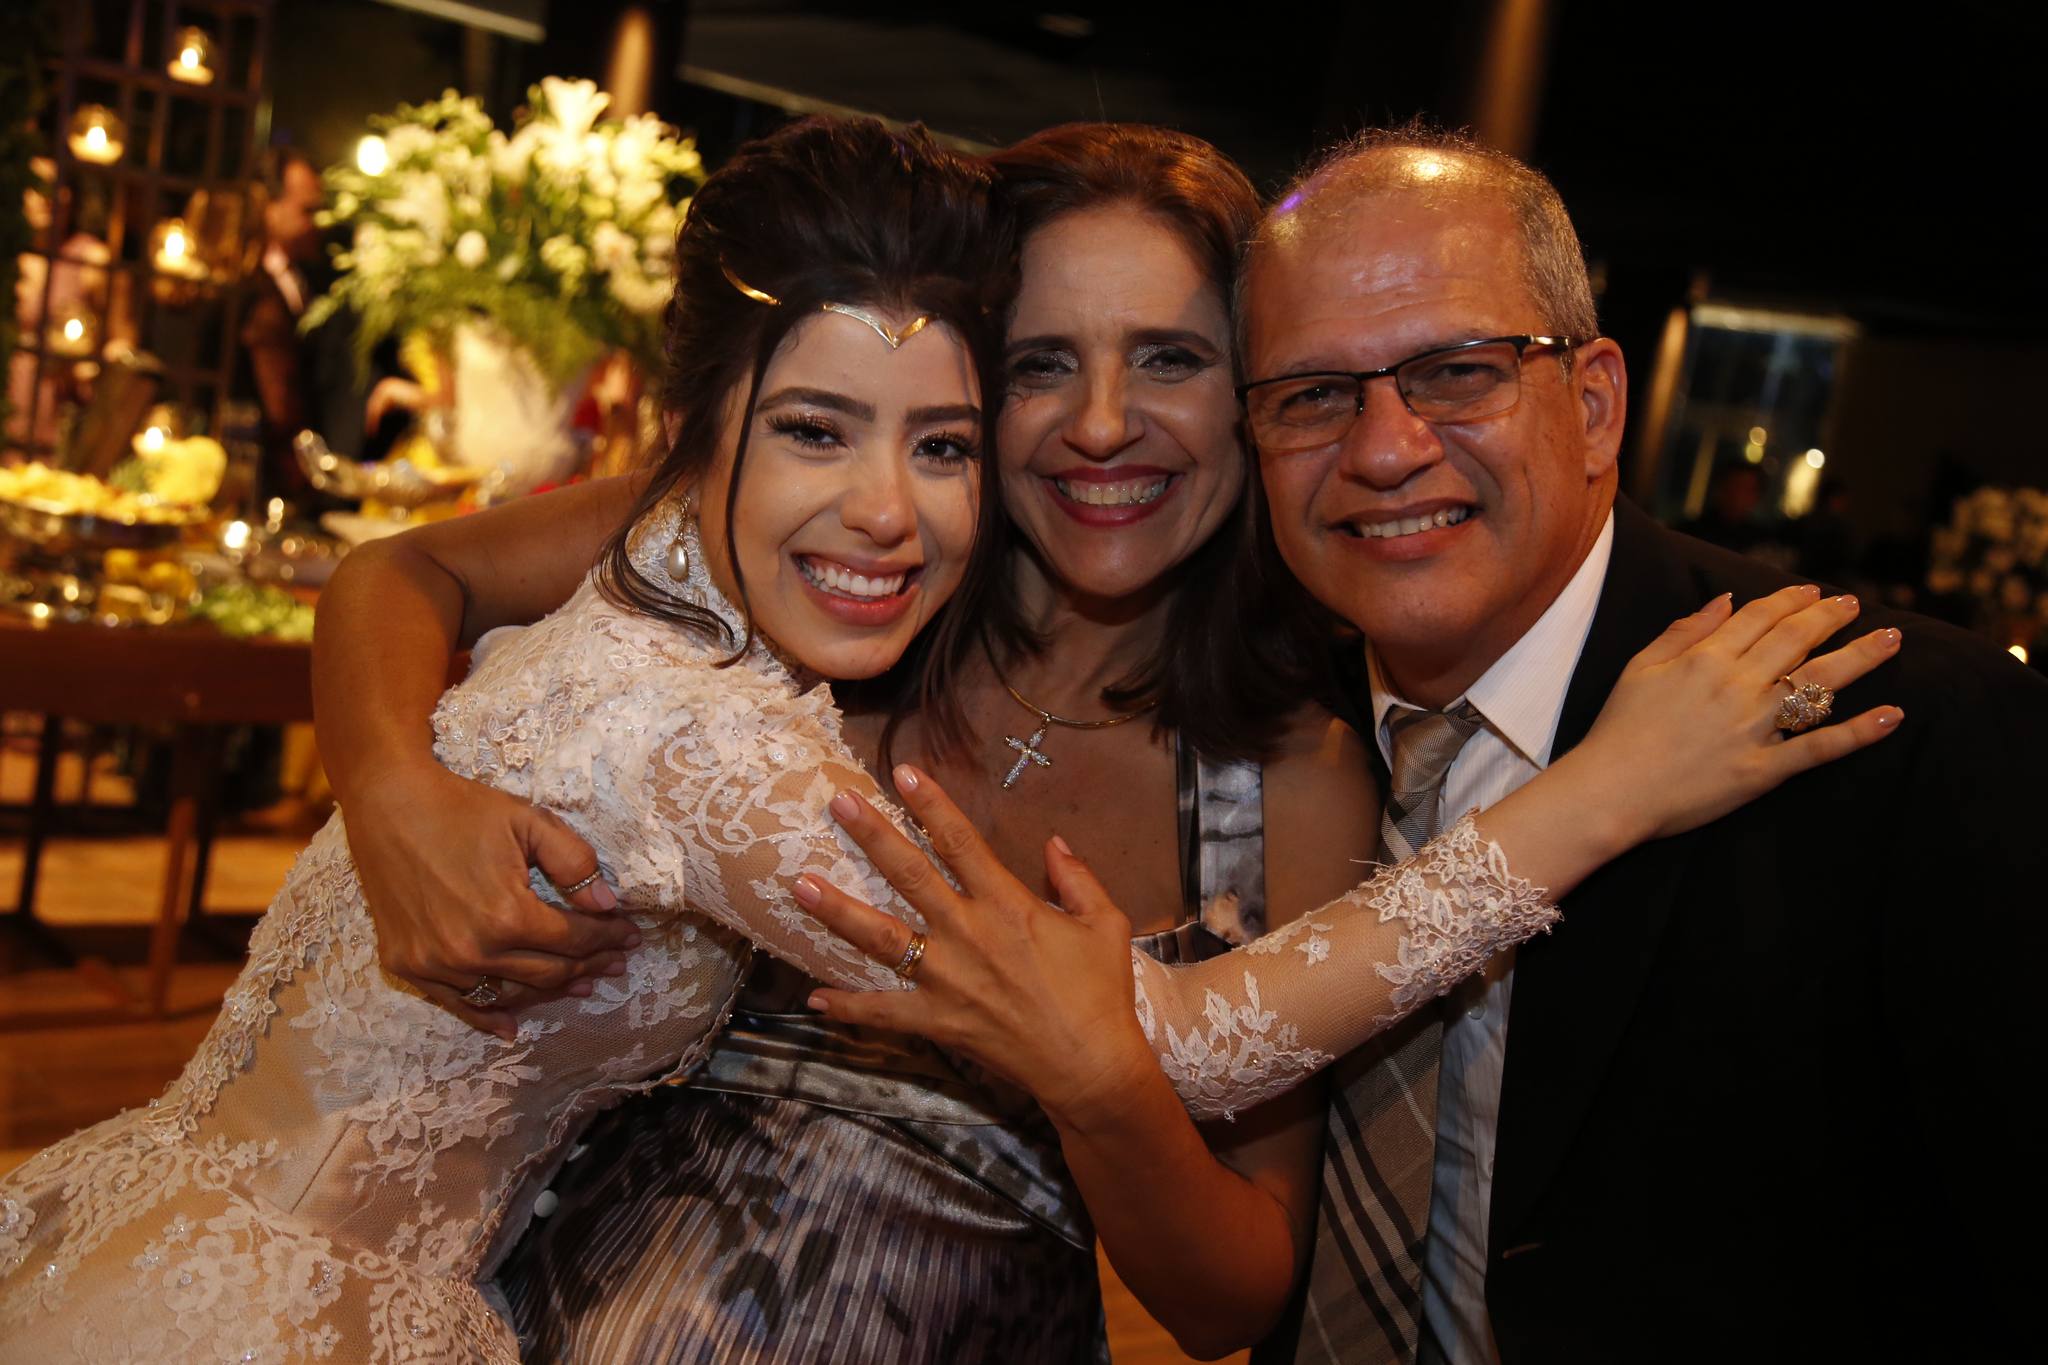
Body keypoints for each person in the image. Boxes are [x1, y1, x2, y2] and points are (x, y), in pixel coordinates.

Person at [312, 123, 1894, 1365]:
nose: (1101, 425)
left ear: (1260, 399)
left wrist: (1107, 1097)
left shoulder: (1285, 775)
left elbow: (1231, 1297)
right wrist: (391, 789)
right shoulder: (832, 569)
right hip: (529, 1304)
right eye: (1040, 365)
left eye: (1173, 359)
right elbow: (405, 571)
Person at [802, 124, 2047, 1363]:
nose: (1386, 449)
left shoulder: (1887, 728)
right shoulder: (1281, 721)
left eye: (1456, 372)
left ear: (1594, 404)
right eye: (1313, 395)